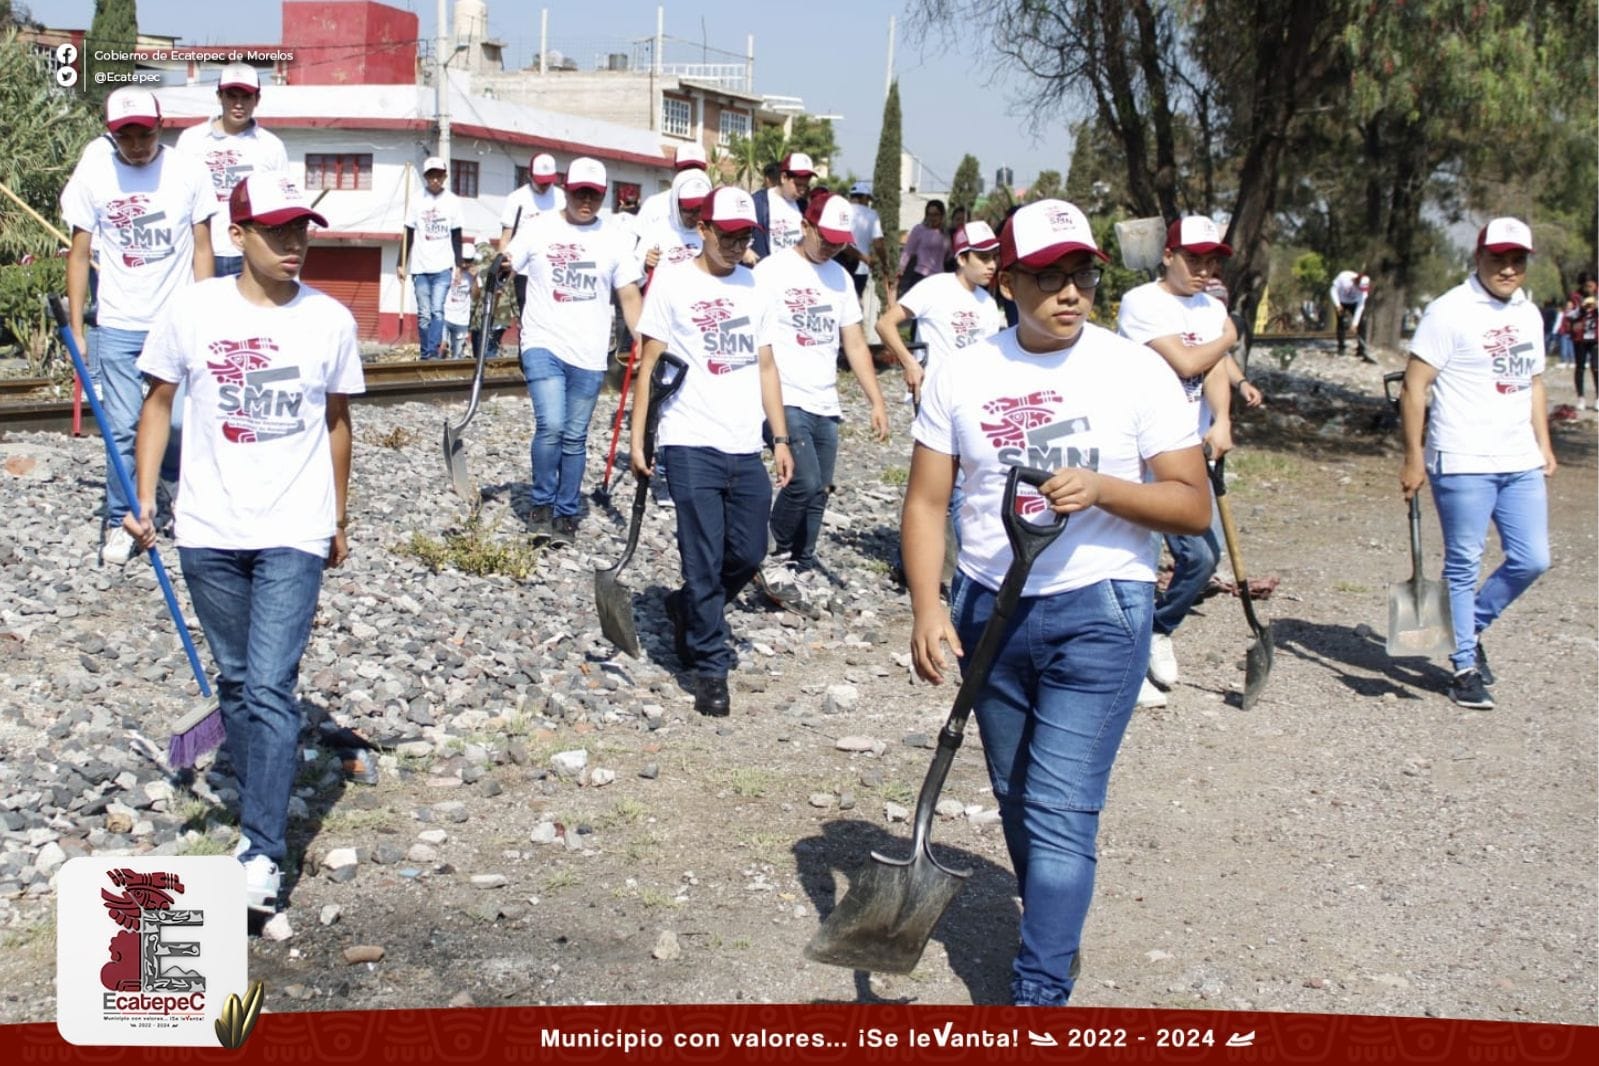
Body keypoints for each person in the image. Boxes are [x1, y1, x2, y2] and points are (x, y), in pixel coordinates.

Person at [903, 198, 1209, 1006]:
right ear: (1006, 282)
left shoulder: (1134, 368)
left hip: (1099, 611)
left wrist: (1105, 490)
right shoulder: (963, 371)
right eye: (1047, 276)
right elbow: (928, 503)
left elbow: (1191, 506)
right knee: (1014, 798)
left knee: (1060, 808)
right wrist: (927, 609)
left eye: (1080, 275)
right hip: (987, 612)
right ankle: (1054, 931)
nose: (1068, 292)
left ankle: (1039, 994)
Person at [121, 173, 364, 914]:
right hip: (207, 527)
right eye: (277, 231)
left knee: (268, 687)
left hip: (294, 525)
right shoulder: (192, 311)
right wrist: (141, 496)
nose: (294, 245)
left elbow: (337, 425)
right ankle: (260, 789)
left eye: (302, 231)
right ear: (238, 236)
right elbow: (157, 405)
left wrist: (338, 519)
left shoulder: (330, 321)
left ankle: (261, 851)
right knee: (234, 683)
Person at [631, 186, 794, 717]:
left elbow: (767, 366)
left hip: (745, 442)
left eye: (746, 235)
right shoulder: (673, 283)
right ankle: (709, 665)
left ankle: (686, 609)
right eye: (728, 234)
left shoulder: (756, 285)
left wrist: (781, 437)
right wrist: (639, 436)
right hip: (688, 440)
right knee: (702, 559)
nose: (737, 243)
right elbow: (650, 364)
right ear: (703, 229)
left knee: (748, 553)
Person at [1399, 217, 1555, 711]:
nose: (1508, 269)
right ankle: (1463, 665)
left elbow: (1533, 382)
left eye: (1517, 260)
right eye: (1498, 258)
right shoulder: (1450, 311)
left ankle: (1467, 626)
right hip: (1462, 458)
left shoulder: (1530, 313)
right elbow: (1414, 386)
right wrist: (1413, 457)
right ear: (1478, 257)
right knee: (1463, 564)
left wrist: (1543, 444)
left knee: (1533, 558)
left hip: (1519, 459)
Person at [62, 87, 217, 565]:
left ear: (160, 128)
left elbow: (202, 248)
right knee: (123, 429)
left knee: (174, 421)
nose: (136, 145)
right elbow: (80, 253)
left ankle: (165, 480)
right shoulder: (93, 173)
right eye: (125, 136)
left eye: (144, 134)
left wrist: (204, 314)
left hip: (172, 322)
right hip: (118, 323)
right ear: (113, 136)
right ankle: (120, 519)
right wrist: (76, 329)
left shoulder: (188, 171)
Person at [1116, 216, 1248, 708]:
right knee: (1140, 562)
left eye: (1211, 260)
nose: (1203, 268)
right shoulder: (1142, 303)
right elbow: (1188, 362)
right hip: (1136, 451)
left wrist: (1222, 420)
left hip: (1186, 447)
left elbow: (1210, 370)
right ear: (1167, 255)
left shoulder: (1210, 308)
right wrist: (1229, 335)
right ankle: (1129, 669)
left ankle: (1158, 629)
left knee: (1202, 557)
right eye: (1194, 258)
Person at [753, 190, 890, 591]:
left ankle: (802, 563)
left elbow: (855, 344)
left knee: (820, 492)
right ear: (805, 226)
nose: (831, 246)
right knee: (804, 480)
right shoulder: (771, 271)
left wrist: (876, 401)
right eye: (824, 236)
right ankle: (767, 552)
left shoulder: (841, 278)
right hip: (783, 396)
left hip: (825, 399)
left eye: (839, 240)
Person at [505, 157, 645, 547]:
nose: (586, 200)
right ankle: (541, 504)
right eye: (580, 192)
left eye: (594, 194)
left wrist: (648, 344)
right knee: (550, 424)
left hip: (589, 350)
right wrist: (500, 267)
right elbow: (508, 260)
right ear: (566, 189)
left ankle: (567, 512)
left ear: (603, 196)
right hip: (542, 341)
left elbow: (630, 297)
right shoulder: (538, 227)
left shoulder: (615, 236)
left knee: (574, 436)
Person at [175, 64, 289, 277]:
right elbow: (178, 199)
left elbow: (281, 205)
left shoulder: (271, 146)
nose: (239, 104)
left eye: (246, 97)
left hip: (250, 253)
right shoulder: (191, 141)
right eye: (231, 96)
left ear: (257, 99)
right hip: (200, 252)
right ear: (219, 96)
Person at [876, 219, 1006, 403]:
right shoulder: (934, 288)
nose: (992, 265)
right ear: (961, 258)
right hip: (933, 397)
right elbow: (884, 324)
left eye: (995, 257)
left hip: (973, 399)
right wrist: (909, 362)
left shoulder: (989, 304)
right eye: (983, 257)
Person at [399, 156, 463, 359]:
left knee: (437, 310)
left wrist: (459, 265)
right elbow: (408, 232)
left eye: (439, 176)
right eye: (431, 176)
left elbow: (456, 235)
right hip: (419, 266)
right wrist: (401, 263)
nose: (435, 180)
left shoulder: (453, 201)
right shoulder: (417, 199)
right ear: (426, 178)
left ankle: (433, 353)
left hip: (443, 266)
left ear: (444, 177)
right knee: (424, 314)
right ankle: (426, 353)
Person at [499, 152, 566, 311]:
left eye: (548, 182)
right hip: (524, 270)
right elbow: (506, 237)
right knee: (528, 312)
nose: (544, 186)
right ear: (530, 175)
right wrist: (502, 265)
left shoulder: (562, 198)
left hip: (554, 269)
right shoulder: (516, 198)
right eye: (540, 182)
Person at [749, 152, 813, 261]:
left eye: (805, 186)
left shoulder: (803, 206)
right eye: (798, 184)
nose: (802, 190)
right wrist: (745, 252)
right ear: (783, 177)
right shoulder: (757, 202)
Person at [636, 143, 709, 232]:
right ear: (674, 170)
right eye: (685, 169)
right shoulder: (653, 205)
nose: (690, 173)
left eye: (696, 169)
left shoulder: (713, 208)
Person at [842, 181, 887, 301]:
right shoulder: (872, 214)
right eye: (868, 200)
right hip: (861, 267)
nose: (868, 203)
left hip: (839, 265)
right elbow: (878, 244)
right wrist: (884, 263)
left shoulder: (842, 211)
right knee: (854, 303)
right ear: (864, 197)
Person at [898, 200, 950, 296]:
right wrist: (900, 270)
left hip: (939, 278)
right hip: (921, 276)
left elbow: (948, 256)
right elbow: (907, 251)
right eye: (929, 214)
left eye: (935, 214)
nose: (932, 218)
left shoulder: (945, 233)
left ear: (942, 215)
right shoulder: (919, 229)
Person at [1565, 272, 1598, 409]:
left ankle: (1597, 398)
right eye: (1586, 286)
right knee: (1580, 367)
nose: (1588, 288)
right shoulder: (1575, 297)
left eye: (1591, 286)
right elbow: (1568, 314)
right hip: (1580, 337)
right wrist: (1581, 309)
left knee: (1596, 367)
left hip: (1596, 336)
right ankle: (1581, 398)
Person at [442, 241, 479, 359]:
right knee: (441, 350)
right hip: (445, 317)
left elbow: (476, 296)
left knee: (457, 355)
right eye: (463, 260)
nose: (464, 264)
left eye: (468, 261)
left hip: (462, 321)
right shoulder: (450, 269)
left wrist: (475, 279)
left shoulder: (473, 274)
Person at [1329, 268, 1372, 360]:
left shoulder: (1363, 292)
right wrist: (1337, 305)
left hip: (1354, 304)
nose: (1360, 290)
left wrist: (1355, 324)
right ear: (1356, 282)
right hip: (1341, 302)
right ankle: (1341, 347)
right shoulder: (1344, 276)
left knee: (1362, 323)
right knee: (1341, 323)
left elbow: (1360, 307)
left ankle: (1361, 349)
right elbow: (1333, 290)